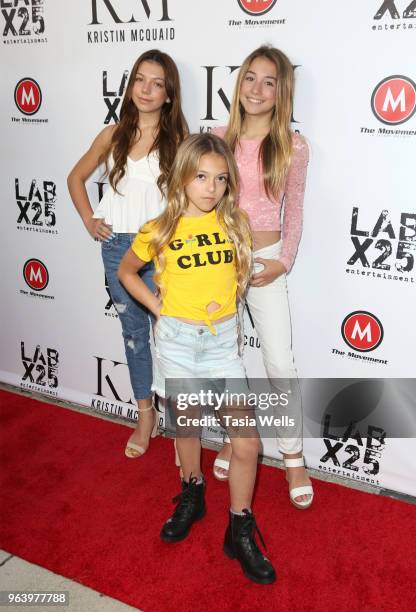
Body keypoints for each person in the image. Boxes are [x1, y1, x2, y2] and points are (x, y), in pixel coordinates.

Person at [118, 133, 277, 584]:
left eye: (221, 179)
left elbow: (245, 269)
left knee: (247, 443)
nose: (211, 187)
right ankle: (193, 491)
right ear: (182, 176)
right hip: (177, 342)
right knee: (185, 426)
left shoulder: (236, 224)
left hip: (223, 344)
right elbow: (127, 271)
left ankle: (239, 527)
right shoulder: (160, 228)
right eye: (201, 176)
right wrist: (156, 306)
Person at [67, 50, 188, 459]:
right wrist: (89, 219)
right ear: (131, 85)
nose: (147, 90)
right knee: (134, 337)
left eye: (157, 83)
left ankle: (180, 427)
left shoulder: (179, 141)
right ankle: (144, 415)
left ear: (169, 93)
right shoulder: (112, 134)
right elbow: (76, 177)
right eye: (140, 80)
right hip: (119, 248)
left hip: (163, 249)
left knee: (172, 336)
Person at [212, 45, 314, 510]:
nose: (256, 89)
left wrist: (284, 262)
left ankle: (293, 455)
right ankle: (238, 438)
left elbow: (294, 212)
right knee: (227, 361)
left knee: (278, 362)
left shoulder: (292, 145)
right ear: (239, 83)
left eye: (268, 81)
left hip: (267, 260)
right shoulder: (217, 138)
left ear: (281, 92)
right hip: (220, 260)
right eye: (249, 78)